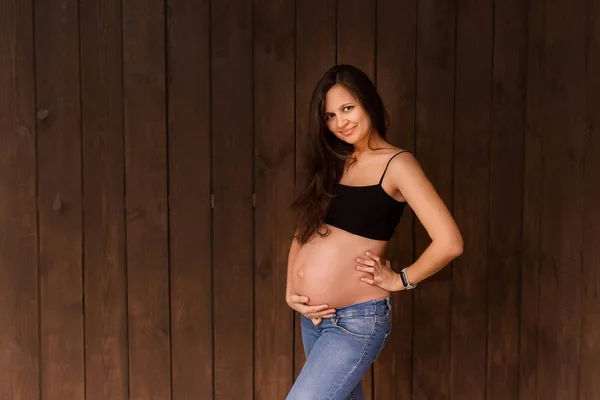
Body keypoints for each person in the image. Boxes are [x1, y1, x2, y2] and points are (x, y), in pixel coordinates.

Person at [284, 64, 464, 400]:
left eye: (348, 108)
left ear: (368, 102)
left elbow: (450, 242)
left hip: (355, 322)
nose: (341, 122)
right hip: (316, 319)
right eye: (330, 116)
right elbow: (304, 230)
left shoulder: (397, 164)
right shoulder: (337, 161)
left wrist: (401, 280)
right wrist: (291, 287)